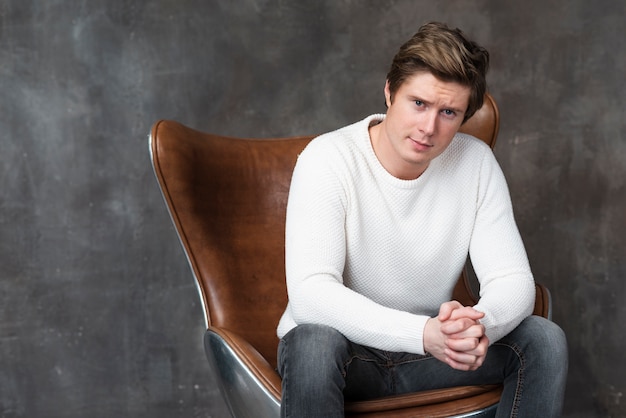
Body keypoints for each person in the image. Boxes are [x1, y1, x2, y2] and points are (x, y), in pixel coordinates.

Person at [276, 22, 568, 417]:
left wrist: (476, 328)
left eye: (449, 112)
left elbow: (512, 280)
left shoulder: (474, 162)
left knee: (543, 340)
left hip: (431, 356)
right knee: (311, 342)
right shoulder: (328, 159)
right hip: (345, 357)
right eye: (418, 103)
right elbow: (311, 295)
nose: (429, 128)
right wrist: (422, 334)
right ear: (389, 92)